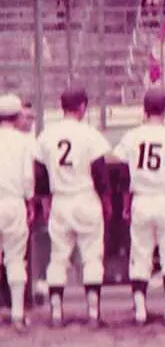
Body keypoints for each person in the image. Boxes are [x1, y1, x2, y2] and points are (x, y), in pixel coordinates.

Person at [111, 89, 165, 325]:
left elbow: (122, 176)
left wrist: (125, 204)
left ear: (144, 110)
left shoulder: (131, 136)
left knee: (141, 255)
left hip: (142, 199)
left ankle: (139, 311)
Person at [35, 88, 111, 326]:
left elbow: (40, 177)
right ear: (82, 107)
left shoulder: (47, 135)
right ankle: (93, 312)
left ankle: (56, 313)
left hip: (61, 200)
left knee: (58, 257)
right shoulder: (90, 134)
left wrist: (46, 205)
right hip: (86, 197)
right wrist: (106, 202)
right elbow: (101, 174)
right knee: (92, 257)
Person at [0, 94, 36, 330]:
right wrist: (30, 202)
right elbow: (27, 177)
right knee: (15, 259)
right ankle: (17, 314)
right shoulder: (24, 141)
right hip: (13, 203)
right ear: (17, 116)